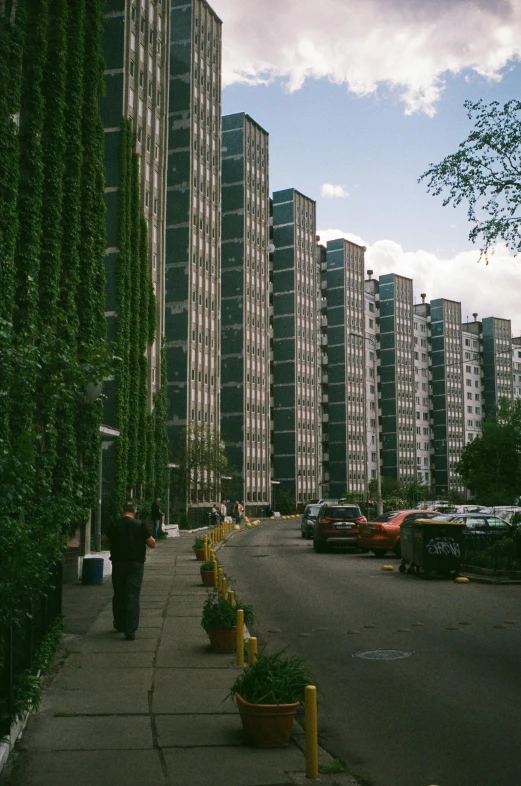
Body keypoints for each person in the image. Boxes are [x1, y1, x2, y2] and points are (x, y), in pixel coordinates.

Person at [104, 501, 155, 641]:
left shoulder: (115, 524)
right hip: (135, 565)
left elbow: (104, 540)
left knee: (119, 594)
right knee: (132, 595)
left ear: (122, 511)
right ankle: (130, 630)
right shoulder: (140, 525)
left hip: (118, 563)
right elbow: (152, 544)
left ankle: (119, 624)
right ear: (135, 511)